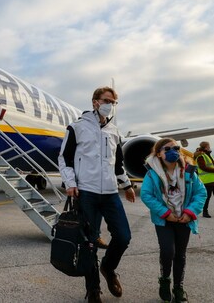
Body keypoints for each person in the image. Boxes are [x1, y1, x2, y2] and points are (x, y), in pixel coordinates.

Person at [58, 86, 135, 303]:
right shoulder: (77, 127)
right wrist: (70, 183)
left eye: (113, 102)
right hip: (87, 193)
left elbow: (118, 164)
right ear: (95, 102)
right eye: (106, 100)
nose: (110, 105)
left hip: (110, 193)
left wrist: (127, 186)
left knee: (123, 236)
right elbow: (64, 158)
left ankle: (108, 269)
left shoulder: (114, 131)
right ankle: (93, 289)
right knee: (89, 243)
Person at [141, 138, 207, 302]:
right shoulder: (152, 173)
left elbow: (201, 193)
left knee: (180, 255)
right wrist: (164, 212)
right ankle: (164, 281)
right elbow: (146, 195)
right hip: (165, 221)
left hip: (184, 219)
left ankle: (178, 288)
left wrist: (190, 212)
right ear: (158, 153)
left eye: (176, 148)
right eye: (167, 148)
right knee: (167, 251)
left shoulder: (189, 172)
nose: (173, 151)